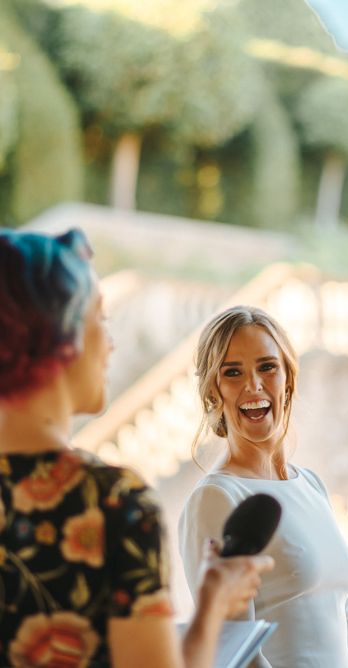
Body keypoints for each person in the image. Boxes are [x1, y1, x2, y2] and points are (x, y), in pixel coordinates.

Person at [0, 228, 274, 668]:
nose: (110, 343)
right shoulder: (112, 503)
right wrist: (213, 605)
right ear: (59, 336)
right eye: (99, 319)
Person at [178, 306, 348, 668]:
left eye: (267, 367)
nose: (253, 385)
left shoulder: (311, 485)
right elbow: (237, 649)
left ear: (288, 377)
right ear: (214, 390)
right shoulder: (215, 499)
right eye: (232, 372)